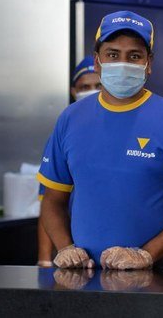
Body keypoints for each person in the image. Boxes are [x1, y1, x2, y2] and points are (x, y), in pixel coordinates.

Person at [38, 10, 163, 270]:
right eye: (112, 55)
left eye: (134, 56)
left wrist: (146, 255)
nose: (123, 63)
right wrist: (66, 248)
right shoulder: (71, 119)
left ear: (148, 63)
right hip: (83, 277)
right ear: (97, 62)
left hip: (153, 276)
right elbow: (52, 201)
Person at [37, 56, 101, 267]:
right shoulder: (65, 132)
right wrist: (44, 261)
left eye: (98, 85)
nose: (91, 90)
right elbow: (49, 202)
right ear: (74, 91)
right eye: (85, 86)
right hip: (74, 255)